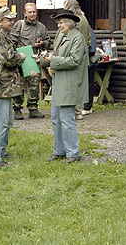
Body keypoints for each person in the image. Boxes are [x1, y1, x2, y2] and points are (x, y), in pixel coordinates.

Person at [38, 9, 88, 163]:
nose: (58, 25)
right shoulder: (62, 37)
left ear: (69, 23)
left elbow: (74, 60)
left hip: (70, 83)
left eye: (60, 22)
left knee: (66, 119)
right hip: (60, 82)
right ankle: (59, 151)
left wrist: (52, 60)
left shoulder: (77, 38)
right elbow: (59, 57)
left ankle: (72, 153)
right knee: (56, 118)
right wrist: (44, 59)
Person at [0, 7, 26, 168]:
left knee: (7, 121)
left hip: (6, 86)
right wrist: (21, 56)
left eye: (12, 19)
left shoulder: (2, 35)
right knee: (0, 123)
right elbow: (7, 58)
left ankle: (1, 151)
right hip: (1, 86)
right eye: (8, 20)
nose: (12, 22)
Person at [10, 3, 49, 120]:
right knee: (19, 85)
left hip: (35, 58)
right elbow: (12, 41)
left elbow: (48, 41)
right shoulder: (19, 25)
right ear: (25, 13)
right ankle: (17, 109)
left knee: (34, 85)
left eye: (34, 12)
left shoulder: (41, 27)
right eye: (30, 12)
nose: (32, 14)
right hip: (22, 59)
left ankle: (33, 108)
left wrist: (43, 43)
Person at [63, 0, 94, 118]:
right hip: (84, 55)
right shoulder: (84, 18)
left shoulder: (75, 21)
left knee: (74, 84)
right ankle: (80, 110)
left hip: (76, 55)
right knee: (81, 83)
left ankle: (77, 111)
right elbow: (89, 39)